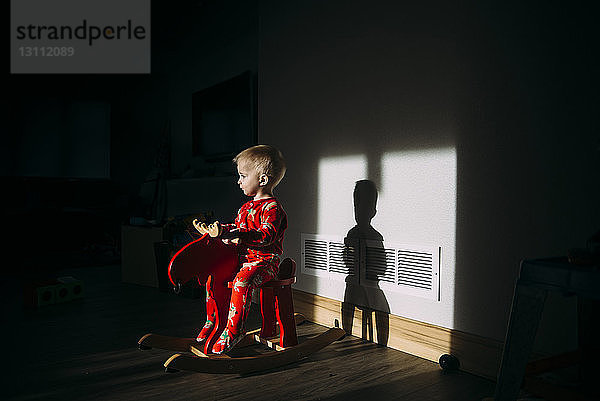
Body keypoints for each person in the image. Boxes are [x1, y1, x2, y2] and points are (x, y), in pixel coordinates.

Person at [192, 144, 288, 354]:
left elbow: (265, 236)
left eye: (243, 176)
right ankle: (213, 321)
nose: (239, 181)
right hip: (242, 260)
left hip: (265, 262)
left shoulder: (272, 208)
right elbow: (237, 228)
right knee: (213, 276)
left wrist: (237, 235)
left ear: (262, 180)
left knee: (242, 280)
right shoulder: (245, 207)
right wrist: (215, 231)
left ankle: (235, 330)